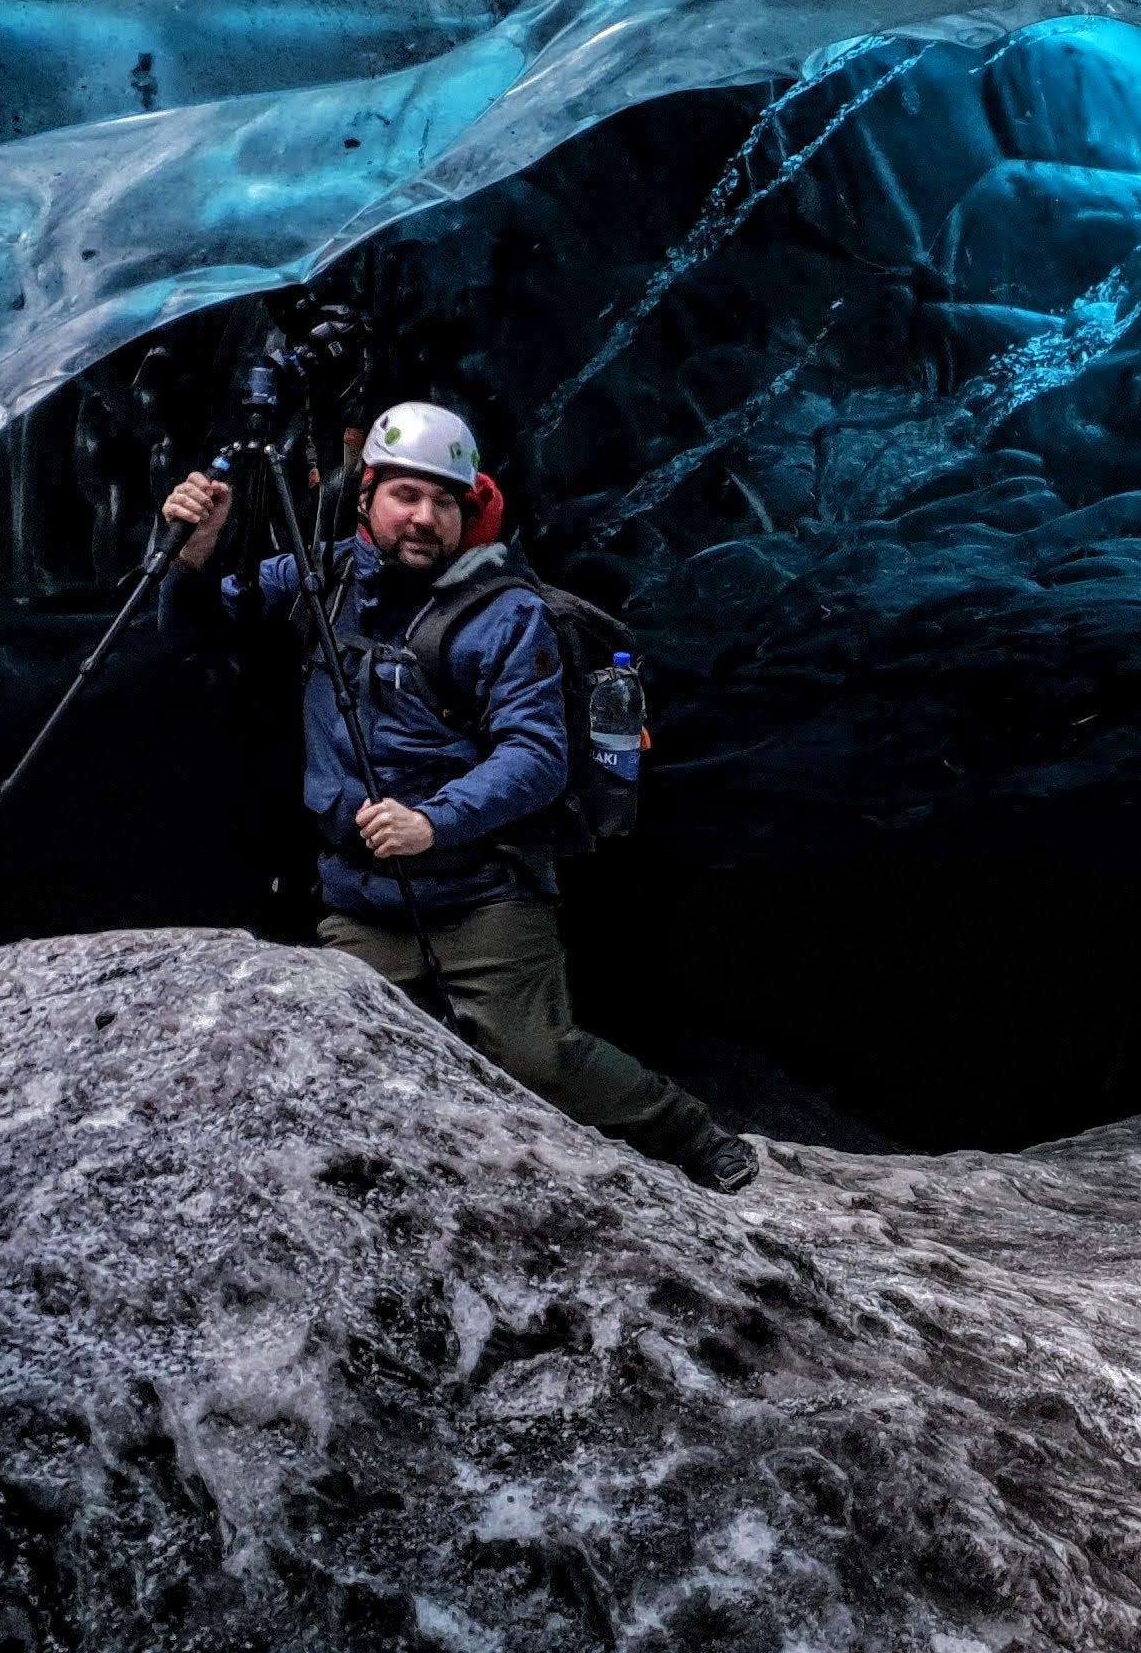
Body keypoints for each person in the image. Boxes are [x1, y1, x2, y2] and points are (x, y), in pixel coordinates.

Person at [160, 399, 759, 1193]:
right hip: (363, 897)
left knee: (537, 1057)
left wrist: (431, 823)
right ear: (367, 494)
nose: (426, 517)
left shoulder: (505, 613)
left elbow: (538, 755)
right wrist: (192, 554)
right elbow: (197, 627)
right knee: (336, 1059)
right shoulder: (325, 576)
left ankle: (694, 1136)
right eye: (407, 495)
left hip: (484, 893)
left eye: (447, 501)